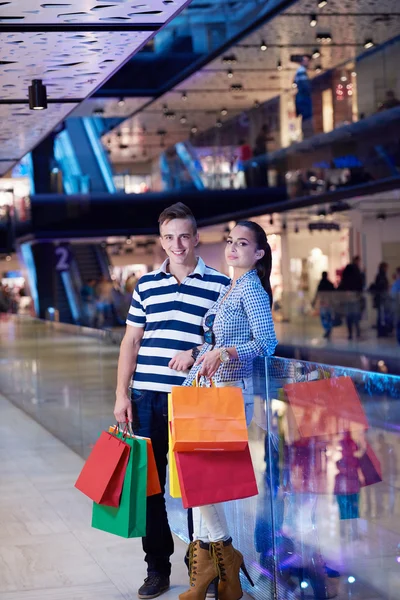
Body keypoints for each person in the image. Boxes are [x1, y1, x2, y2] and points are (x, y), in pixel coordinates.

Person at [113, 202, 230, 599]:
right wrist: (121, 394)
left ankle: (202, 568)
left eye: (183, 236)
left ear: (196, 238)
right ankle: (157, 568)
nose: (177, 244)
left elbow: (223, 342)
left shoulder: (219, 284)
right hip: (145, 395)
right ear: (161, 242)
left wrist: (197, 353)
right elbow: (131, 341)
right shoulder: (145, 285)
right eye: (169, 237)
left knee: (199, 488)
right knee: (151, 488)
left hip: (193, 399)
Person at [177, 220, 278, 600]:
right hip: (209, 390)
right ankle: (214, 577)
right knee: (199, 482)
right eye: (231, 241)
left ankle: (225, 554)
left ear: (258, 253)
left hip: (229, 393)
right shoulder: (232, 286)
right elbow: (217, 339)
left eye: (243, 243)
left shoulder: (250, 287)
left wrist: (226, 352)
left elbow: (267, 342)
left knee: (200, 481)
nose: (233, 248)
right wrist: (197, 353)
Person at [338, 257, 364, 340]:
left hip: (348, 295)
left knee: (349, 315)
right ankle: (357, 332)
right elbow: (360, 282)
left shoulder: (348, 269)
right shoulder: (356, 270)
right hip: (354, 295)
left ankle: (350, 333)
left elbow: (343, 281)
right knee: (355, 315)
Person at [294, 55, 313, 140]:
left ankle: (307, 137)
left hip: (302, 99)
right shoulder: (301, 71)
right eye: (306, 60)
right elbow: (304, 86)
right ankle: (307, 138)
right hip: (303, 99)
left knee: (306, 118)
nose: (308, 63)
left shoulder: (300, 71)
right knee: (307, 118)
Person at [371, 262, 391, 337]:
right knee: (382, 315)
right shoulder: (381, 276)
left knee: (381, 315)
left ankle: (382, 331)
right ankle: (382, 331)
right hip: (382, 298)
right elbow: (381, 286)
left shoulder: (379, 276)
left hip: (380, 298)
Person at [313, 272, 336, 339]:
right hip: (328, 303)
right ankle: (328, 330)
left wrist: (314, 301)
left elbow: (317, 294)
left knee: (324, 317)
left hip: (324, 303)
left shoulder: (321, 284)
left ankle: (327, 330)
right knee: (328, 317)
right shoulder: (329, 284)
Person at [391, 267, 400, 345]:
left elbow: (393, 295)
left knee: (398, 324)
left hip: (397, 307)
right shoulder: (396, 283)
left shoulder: (397, 283)